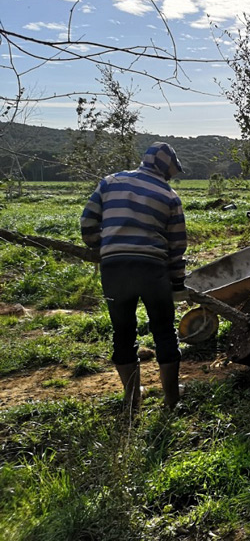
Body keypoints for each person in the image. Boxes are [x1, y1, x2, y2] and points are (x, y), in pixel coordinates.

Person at [80, 142, 187, 413]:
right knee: (164, 331)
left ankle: (132, 398)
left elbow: (88, 223)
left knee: (123, 332)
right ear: (166, 169)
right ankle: (172, 400)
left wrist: (103, 246)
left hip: (115, 270)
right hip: (153, 269)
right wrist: (177, 284)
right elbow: (176, 247)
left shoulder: (110, 182)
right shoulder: (169, 196)